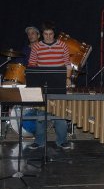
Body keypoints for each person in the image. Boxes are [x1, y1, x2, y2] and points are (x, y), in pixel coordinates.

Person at [27, 21, 72, 149]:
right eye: (45, 34)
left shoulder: (63, 45)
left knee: (60, 115)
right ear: (42, 34)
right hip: (42, 85)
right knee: (41, 115)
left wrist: (68, 78)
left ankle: (62, 141)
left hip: (58, 83)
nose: (48, 37)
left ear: (54, 34)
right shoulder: (36, 47)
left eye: (50, 34)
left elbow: (67, 64)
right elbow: (31, 65)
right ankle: (39, 141)